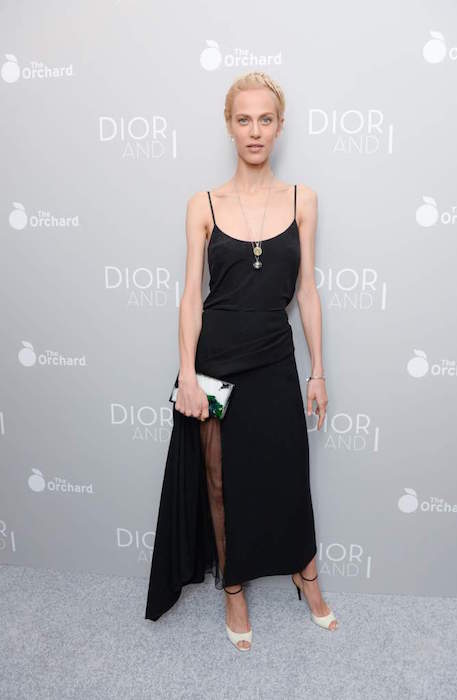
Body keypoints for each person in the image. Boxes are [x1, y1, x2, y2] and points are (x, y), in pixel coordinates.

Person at [145, 71, 338, 651]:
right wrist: (186, 375)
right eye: (243, 119)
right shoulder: (202, 204)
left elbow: (307, 291)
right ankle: (233, 588)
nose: (255, 131)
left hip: (275, 356)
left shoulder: (303, 200)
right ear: (229, 127)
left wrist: (318, 370)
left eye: (266, 119)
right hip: (215, 363)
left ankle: (307, 575)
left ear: (279, 127)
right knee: (219, 480)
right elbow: (190, 296)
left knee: (288, 472)